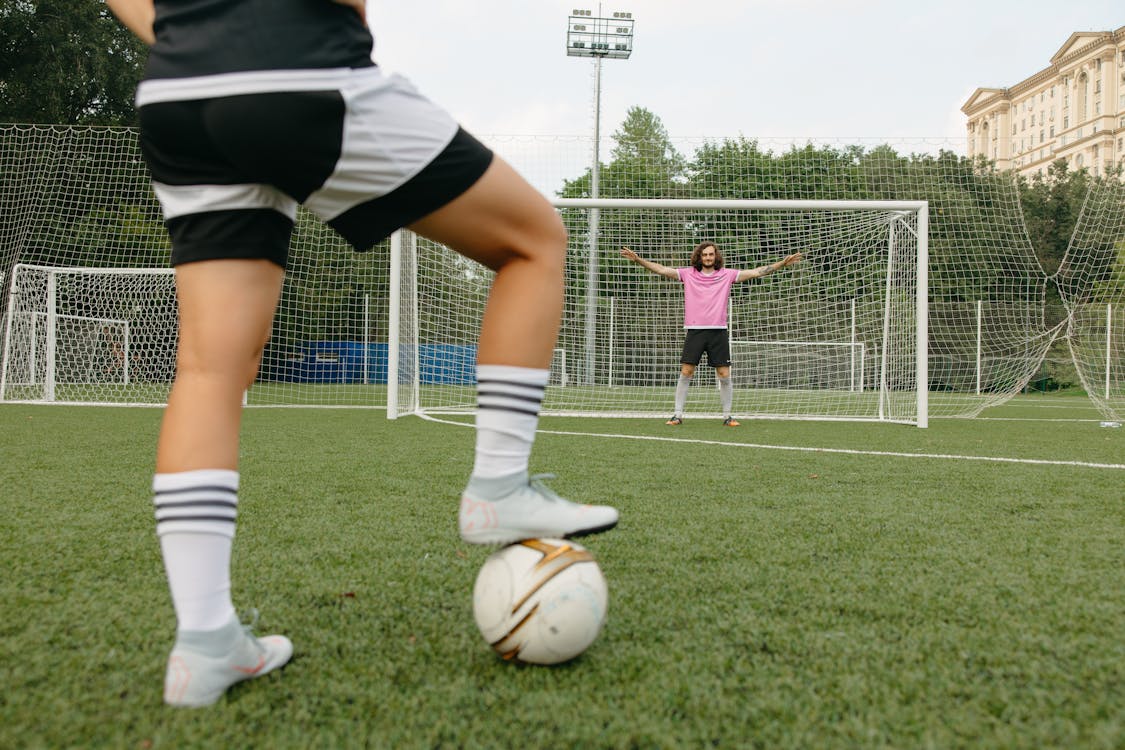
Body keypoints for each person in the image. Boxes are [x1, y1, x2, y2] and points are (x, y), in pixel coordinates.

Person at [106, 0, 618, 708]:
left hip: (177, 90)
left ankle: (204, 644)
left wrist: (184, 35)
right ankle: (498, 488)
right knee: (533, 240)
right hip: (293, 60)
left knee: (208, 369)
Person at [620, 242, 802, 426]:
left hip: (718, 331)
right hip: (695, 330)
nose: (708, 257)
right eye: (704, 255)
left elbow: (757, 272)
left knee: (724, 374)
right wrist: (638, 260)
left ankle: (727, 416)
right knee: (686, 371)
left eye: (711, 255)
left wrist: (781, 264)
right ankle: (677, 414)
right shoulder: (688, 274)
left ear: (716, 257)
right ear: (699, 257)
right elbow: (661, 270)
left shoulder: (727, 275)